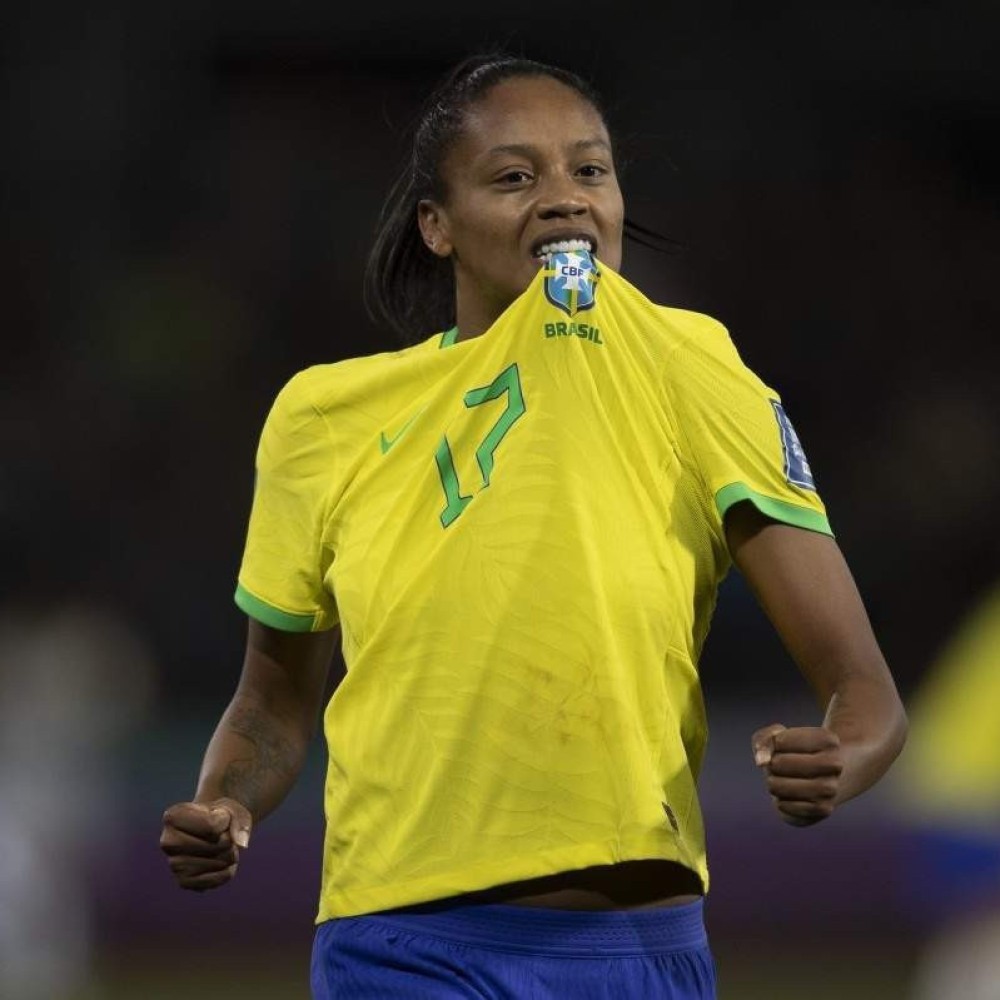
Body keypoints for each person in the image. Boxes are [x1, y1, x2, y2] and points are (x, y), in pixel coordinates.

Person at [160, 54, 908, 999]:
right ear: (437, 226)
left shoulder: (696, 367)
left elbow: (867, 695)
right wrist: (224, 803)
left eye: (590, 170)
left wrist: (838, 761)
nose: (564, 198)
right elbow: (270, 705)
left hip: (641, 950)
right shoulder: (324, 419)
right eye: (515, 177)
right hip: (404, 947)